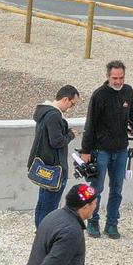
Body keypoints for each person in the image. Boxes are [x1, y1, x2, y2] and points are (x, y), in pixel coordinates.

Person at [78, 59, 133, 240]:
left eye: (121, 77)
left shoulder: (128, 91)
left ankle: (112, 223)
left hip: (121, 149)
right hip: (101, 150)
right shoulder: (99, 96)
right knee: (96, 188)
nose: (118, 81)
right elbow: (90, 124)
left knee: (117, 189)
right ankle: (93, 220)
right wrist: (86, 150)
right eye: (115, 78)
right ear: (108, 76)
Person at [29, 85, 79, 227]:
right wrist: (70, 135)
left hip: (45, 165)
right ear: (65, 99)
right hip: (54, 168)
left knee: (43, 202)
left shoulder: (44, 112)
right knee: (50, 206)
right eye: (72, 104)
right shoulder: (54, 115)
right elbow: (57, 141)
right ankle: (45, 235)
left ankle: (40, 231)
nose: (71, 108)